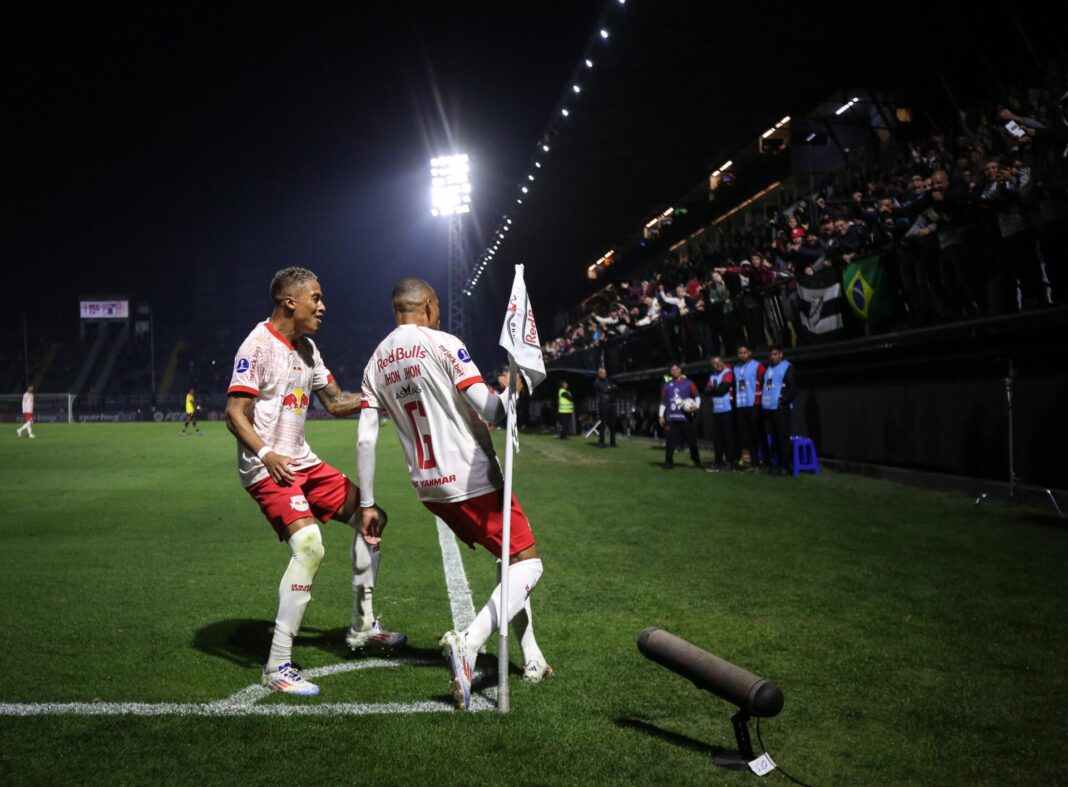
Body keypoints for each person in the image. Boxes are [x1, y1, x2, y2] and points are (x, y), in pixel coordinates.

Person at [357, 278, 550, 711]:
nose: (439, 313)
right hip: (472, 479)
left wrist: (367, 502)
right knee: (528, 562)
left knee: (509, 561)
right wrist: (515, 385)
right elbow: (491, 409)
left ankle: (532, 655)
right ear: (426, 305)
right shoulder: (443, 343)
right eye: (437, 306)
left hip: (429, 489)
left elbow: (366, 440)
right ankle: (470, 642)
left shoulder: (375, 362)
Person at [225, 266, 405, 697]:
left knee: (372, 517)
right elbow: (234, 413)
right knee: (309, 547)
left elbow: (337, 402)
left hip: (302, 462)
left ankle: (362, 626)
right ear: (290, 302)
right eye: (316, 299)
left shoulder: (308, 349)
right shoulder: (258, 345)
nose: (323, 307)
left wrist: (381, 398)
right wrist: (267, 455)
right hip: (267, 466)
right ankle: (277, 665)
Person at [762, 346, 797, 475]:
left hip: (781, 409)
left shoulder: (787, 368)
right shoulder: (769, 368)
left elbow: (792, 389)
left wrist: (783, 401)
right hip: (769, 409)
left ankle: (785, 466)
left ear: (781, 354)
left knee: (782, 438)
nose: (772, 357)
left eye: (775, 354)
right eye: (770, 355)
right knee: (775, 438)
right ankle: (776, 464)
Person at [659, 363, 702, 469]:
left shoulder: (688, 383)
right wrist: (661, 415)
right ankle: (669, 462)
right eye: (672, 370)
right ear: (670, 372)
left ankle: (696, 461)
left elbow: (697, 396)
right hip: (671, 418)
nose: (675, 371)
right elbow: (663, 402)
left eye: (676, 369)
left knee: (691, 441)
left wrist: (696, 406)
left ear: (680, 370)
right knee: (670, 441)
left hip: (686, 418)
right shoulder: (666, 385)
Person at [733, 344, 766, 469]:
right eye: (740, 353)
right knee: (747, 435)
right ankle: (755, 462)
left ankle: (766, 461)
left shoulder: (758, 366)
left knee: (758, 434)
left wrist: (767, 397)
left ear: (749, 353)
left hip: (755, 404)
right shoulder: (736, 368)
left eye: (744, 352)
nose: (742, 355)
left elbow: (767, 382)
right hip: (741, 406)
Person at [703, 357, 736, 471]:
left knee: (728, 438)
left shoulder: (727, 373)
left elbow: (723, 389)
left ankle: (730, 462)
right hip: (716, 410)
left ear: (723, 362)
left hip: (727, 410)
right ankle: (718, 462)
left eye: (719, 362)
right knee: (717, 439)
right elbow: (706, 391)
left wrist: (712, 390)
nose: (717, 365)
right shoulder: (712, 376)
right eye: (714, 364)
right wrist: (713, 390)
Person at [593, 367, 618, 447]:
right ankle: (601, 442)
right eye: (603, 373)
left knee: (613, 424)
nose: (604, 374)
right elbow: (605, 390)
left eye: (605, 373)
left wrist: (611, 387)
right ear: (599, 374)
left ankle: (613, 442)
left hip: (611, 404)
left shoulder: (608, 380)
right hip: (603, 405)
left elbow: (615, 387)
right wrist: (611, 388)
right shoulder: (597, 382)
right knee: (603, 424)